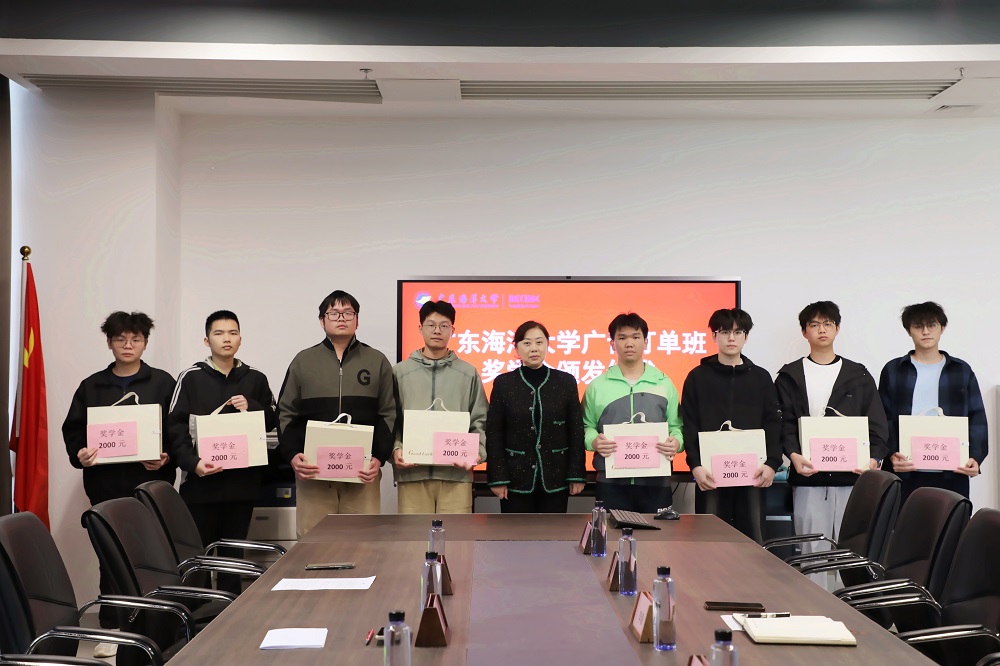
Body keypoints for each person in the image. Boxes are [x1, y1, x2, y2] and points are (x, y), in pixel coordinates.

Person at [62, 311, 175, 655]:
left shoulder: (163, 383)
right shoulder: (92, 386)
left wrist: (166, 457)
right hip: (106, 485)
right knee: (110, 555)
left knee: (149, 555)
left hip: (148, 486)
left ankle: (152, 627)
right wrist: (80, 454)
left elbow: (176, 431)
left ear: (145, 343)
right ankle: (111, 629)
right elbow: (73, 431)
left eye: (136, 339)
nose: (128, 345)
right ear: (109, 343)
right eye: (120, 339)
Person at [775, 301, 888, 586]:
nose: (821, 330)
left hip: (852, 481)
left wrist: (873, 459)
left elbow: (876, 424)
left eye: (827, 324)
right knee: (811, 552)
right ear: (804, 332)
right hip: (809, 479)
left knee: (851, 554)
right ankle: (814, 608)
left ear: (838, 329)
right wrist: (793, 455)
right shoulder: (790, 375)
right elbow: (784, 423)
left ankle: (849, 609)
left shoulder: (858, 375)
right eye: (814, 325)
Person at [167, 310, 277, 595]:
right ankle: (199, 612)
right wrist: (193, 463)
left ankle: (230, 608)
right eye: (219, 333)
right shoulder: (190, 378)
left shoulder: (256, 378)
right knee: (199, 558)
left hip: (242, 486)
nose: (226, 338)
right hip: (201, 485)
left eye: (232, 333)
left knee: (233, 558)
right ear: (207, 340)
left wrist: (251, 406)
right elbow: (174, 427)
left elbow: (273, 420)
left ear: (240, 339)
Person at [277, 290, 396, 537]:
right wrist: (292, 455)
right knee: (314, 543)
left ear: (357, 320)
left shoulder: (377, 361)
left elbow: (389, 412)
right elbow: (285, 412)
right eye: (334, 313)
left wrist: (379, 457)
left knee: (363, 542)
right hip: (314, 473)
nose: (341, 318)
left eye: (348, 313)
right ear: (322, 321)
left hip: (362, 474)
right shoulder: (303, 361)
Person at [681, 308, 781, 543]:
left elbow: (773, 423)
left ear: (746, 336)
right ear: (714, 336)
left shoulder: (761, 378)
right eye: (724, 332)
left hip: (753, 473)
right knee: (710, 540)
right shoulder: (697, 377)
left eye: (738, 332)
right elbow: (689, 424)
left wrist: (772, 463)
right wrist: (695, 465)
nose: (731, 338)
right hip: (710, 474)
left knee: (753, 540)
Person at [879, 301, 988, 502]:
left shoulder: (961, 370)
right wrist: (892, 454)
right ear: (908, 331)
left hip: (952, 471)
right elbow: (884, 418)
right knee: (904, 521)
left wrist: (975, 456)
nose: (926, 332)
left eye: (932, 325)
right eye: (918, 326)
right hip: (906, 471)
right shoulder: (894, 370)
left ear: (942, 328)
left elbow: (977, 416)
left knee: (952, 521)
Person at [391, 300, 487, 513]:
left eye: (444, 325)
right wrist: (396, 448)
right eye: (431, 325)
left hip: (456, 476)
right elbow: (391, 419)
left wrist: (476, 453)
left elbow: (480, 419)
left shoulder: (468, 373)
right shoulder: (400, 372)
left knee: (456, 534)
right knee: (413, 534)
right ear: (420, 328)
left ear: (453, 330)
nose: (437, 331)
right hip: (413, 474)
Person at [582, 312, 683, 512]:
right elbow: (586, 426)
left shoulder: (664, 383)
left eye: (636, 337)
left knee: (657, 532)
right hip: (611, 481)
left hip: (656, 479)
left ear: (646, 342)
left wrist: (677, 442)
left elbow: (676, 426)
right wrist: (593, 441)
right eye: (622, 338)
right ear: (612, 343)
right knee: (611, 531)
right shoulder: (597, 386)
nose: (629, 343)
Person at [486, 320, 586, 513]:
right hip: (515, 478)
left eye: (539, 342)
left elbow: (576, 430)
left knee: (554, 530)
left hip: (556, 476)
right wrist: (498, 478)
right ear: (516, 348)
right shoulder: (504, 383)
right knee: (515, 531)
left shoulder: (565, 382)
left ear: (547, 345)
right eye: (527, 343)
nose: (534, 348)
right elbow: (494, 433)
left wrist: (576, 474)